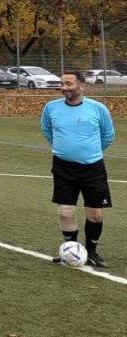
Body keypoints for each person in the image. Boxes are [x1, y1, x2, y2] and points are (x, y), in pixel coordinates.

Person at [41, 70, 115, 267]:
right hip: (63, 168)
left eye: (68, 84)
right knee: (65, 212)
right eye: (62, 84)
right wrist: (63, 148)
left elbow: (108, 135)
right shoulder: (51, 108)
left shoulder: (98, 109)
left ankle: (91, 252)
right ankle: (70, 250)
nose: (64, 88)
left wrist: (89, 151)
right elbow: (47, 129)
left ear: (82, 86)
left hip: (93, 168)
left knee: (96, 214)